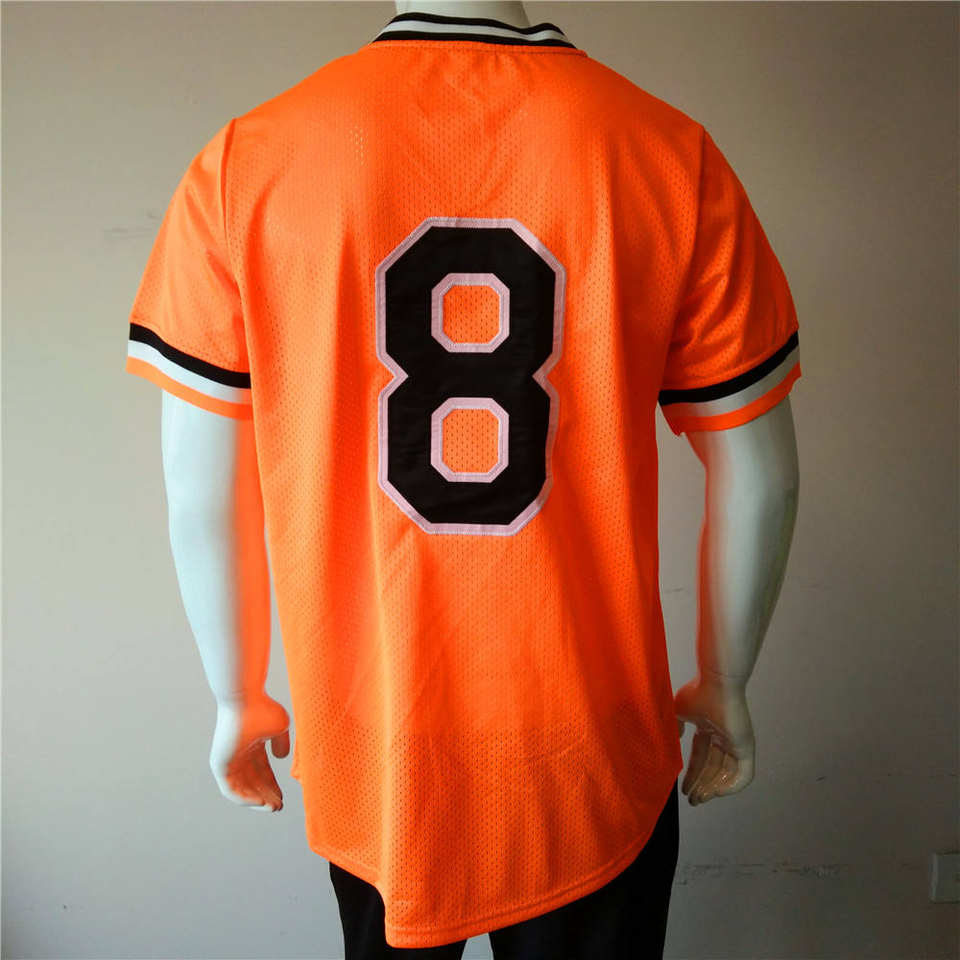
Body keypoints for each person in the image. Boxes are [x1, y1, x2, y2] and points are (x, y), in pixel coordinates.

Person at [124, 1, 802, 956]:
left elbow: (198, 491)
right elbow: (763, 475)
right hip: (589, 741)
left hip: (379, 742)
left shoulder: (246, 164)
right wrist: (726, 679)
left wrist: (236, 695)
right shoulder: (666, 153)